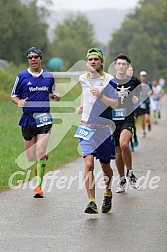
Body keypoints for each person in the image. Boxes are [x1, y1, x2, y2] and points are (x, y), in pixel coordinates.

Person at [11, 47, 60, 198]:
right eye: (30, 57)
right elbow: (14, 95)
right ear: (28, 60)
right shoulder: (22, 76)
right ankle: (40, 158)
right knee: (31, 157)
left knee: (40, 152)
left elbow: (52, 92)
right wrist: (19, 102)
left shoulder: (49, 76)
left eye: (36, 56)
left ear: (40, 59)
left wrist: (55, 96)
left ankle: (38, 187)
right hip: (28, 119)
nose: (33, 59)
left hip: (44, 117)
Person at [75, 48, 118, 214]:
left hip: (104, 129)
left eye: (96, 59)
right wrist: (82, 105)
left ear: (102, 62)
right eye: (90, 59)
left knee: (105, 166)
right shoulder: (83, 78)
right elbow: (85, 93)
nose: (93, 62)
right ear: (87, 62)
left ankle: (107, 193)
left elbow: (115, 104)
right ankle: (91, 201)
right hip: (86, 126)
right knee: (89, 163)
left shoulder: (110, 80)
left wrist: (101, 96)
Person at [112, 54, 140, 193]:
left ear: (128, 66)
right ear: (115, 65)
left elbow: (139, 95)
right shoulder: (109, 81)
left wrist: (136, 98)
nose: (121, 66)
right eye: (119, 64)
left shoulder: (134, 81)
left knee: (124, 144)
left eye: (124, 64)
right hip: (113, 120)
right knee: (117, 150)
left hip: (127, 118)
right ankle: (122, 178)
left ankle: (130, 172)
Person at [136, 71, 152, 137]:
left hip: (147, 103)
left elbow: (151, 91)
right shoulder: (138, 84)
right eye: (142, 76)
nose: (143, 77)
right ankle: (143, 131)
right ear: (140, 77)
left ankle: (148, 123)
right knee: (142, 119)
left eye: (144, 76)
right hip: (140, 103)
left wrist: (150, 93)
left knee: (147, 118)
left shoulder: (149, 84)